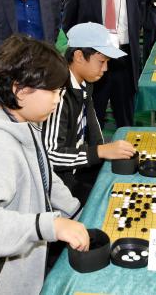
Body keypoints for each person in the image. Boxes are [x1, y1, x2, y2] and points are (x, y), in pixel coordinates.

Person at [0, 35, 89, 295]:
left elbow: (45, 176)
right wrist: (49, 226)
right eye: (53, 92)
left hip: (17, 271)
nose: (57, 100)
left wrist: (76, 215)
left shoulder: (22, 123)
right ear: (20, 90)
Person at [42, 22, 135, 205]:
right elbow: (50, 155)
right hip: (58, 188)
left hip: (78, 170)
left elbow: (92, 123)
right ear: (78, 56)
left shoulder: (85, 83)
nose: (105, 69)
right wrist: (99, 151)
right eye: (101, 61)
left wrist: (102, 147)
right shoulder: (58, 94)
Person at [63, 0, 147, 128]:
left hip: (124, 61)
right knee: (91, 120)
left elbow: (137, 26)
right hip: (92, 61)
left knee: (126, 120)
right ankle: (93, 156)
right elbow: (68, 24)